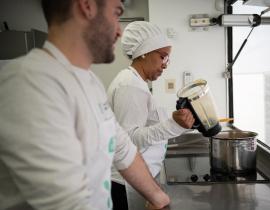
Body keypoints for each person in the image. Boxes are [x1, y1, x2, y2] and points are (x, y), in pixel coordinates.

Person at [0, 1, 170, 210]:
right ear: (87, 6)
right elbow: (64, 203)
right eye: (116, 14)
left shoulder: (89, 82)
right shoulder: (30, 84)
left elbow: (122, 148)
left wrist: (158, 198)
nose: (119, 31)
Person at [107, 21, 195, 210]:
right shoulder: (129, 85)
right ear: (144, 52)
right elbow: (129, 139)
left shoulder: (135, 83)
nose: (165, 65)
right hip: (125, 184)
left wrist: (174, 122)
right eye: (163, 57)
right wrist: (174, 125)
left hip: (131, 179)